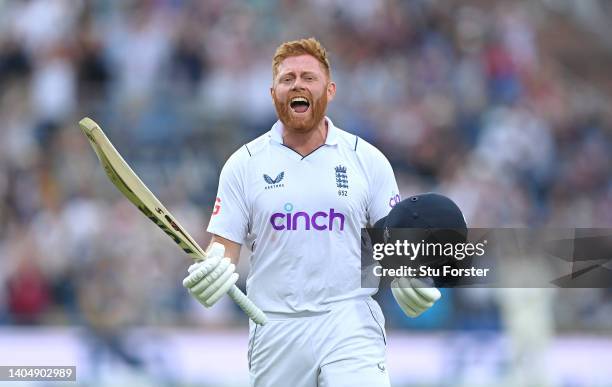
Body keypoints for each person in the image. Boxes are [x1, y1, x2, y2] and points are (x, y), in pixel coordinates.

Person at [182, 37, 440, 387]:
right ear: (272, 92)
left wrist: (409, 274)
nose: (298, 84)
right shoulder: (243, 165)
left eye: (308, 77)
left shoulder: (367, 159)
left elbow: (391, 241)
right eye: (287, 79)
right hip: (274, 324)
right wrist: (211, 269)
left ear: (329, 90)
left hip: (348, 318)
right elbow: (223, 247)